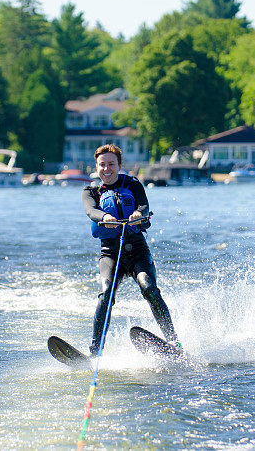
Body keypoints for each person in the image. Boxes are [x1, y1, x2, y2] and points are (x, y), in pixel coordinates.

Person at [82, 144, 179, 356]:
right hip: (110, 253)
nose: (106, 169)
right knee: (105, 295)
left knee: (149, 289)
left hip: (137, 250)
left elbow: (143, 205)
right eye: (102, 165)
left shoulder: (133, 184)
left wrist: (137, 213)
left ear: (119, 165)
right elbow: (91, 211)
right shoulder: (90, 191)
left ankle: (174, 342)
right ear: (96, 166)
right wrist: (104, 217)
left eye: (111, 164)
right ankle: (95, 351)